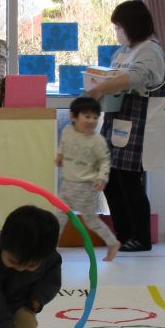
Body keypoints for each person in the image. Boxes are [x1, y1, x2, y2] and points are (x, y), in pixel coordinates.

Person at [84, 0, 165, 253]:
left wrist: (101, 87)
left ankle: (141, 237)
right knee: (110, 178)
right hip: (117, 119)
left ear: (133, 25)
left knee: (130, 180)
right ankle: (123, 234)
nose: (118, 32)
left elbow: (137, 77)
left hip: (140, 122)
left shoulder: (150, 50)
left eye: (120, 27)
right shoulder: (123, 52)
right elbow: (115, 76)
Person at [55, 96, 121, 262]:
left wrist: (102, 178)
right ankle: (50, 248)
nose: (91, 121)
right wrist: (60, 155)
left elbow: (104, 161)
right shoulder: (68, 131)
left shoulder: (97, 140)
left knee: (91, 220)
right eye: (87, 116)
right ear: (73, 116)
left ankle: (112, 243)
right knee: (59, 217)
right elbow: (63, 144)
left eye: (95, 117)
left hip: (84, 186)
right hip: (67, 183)